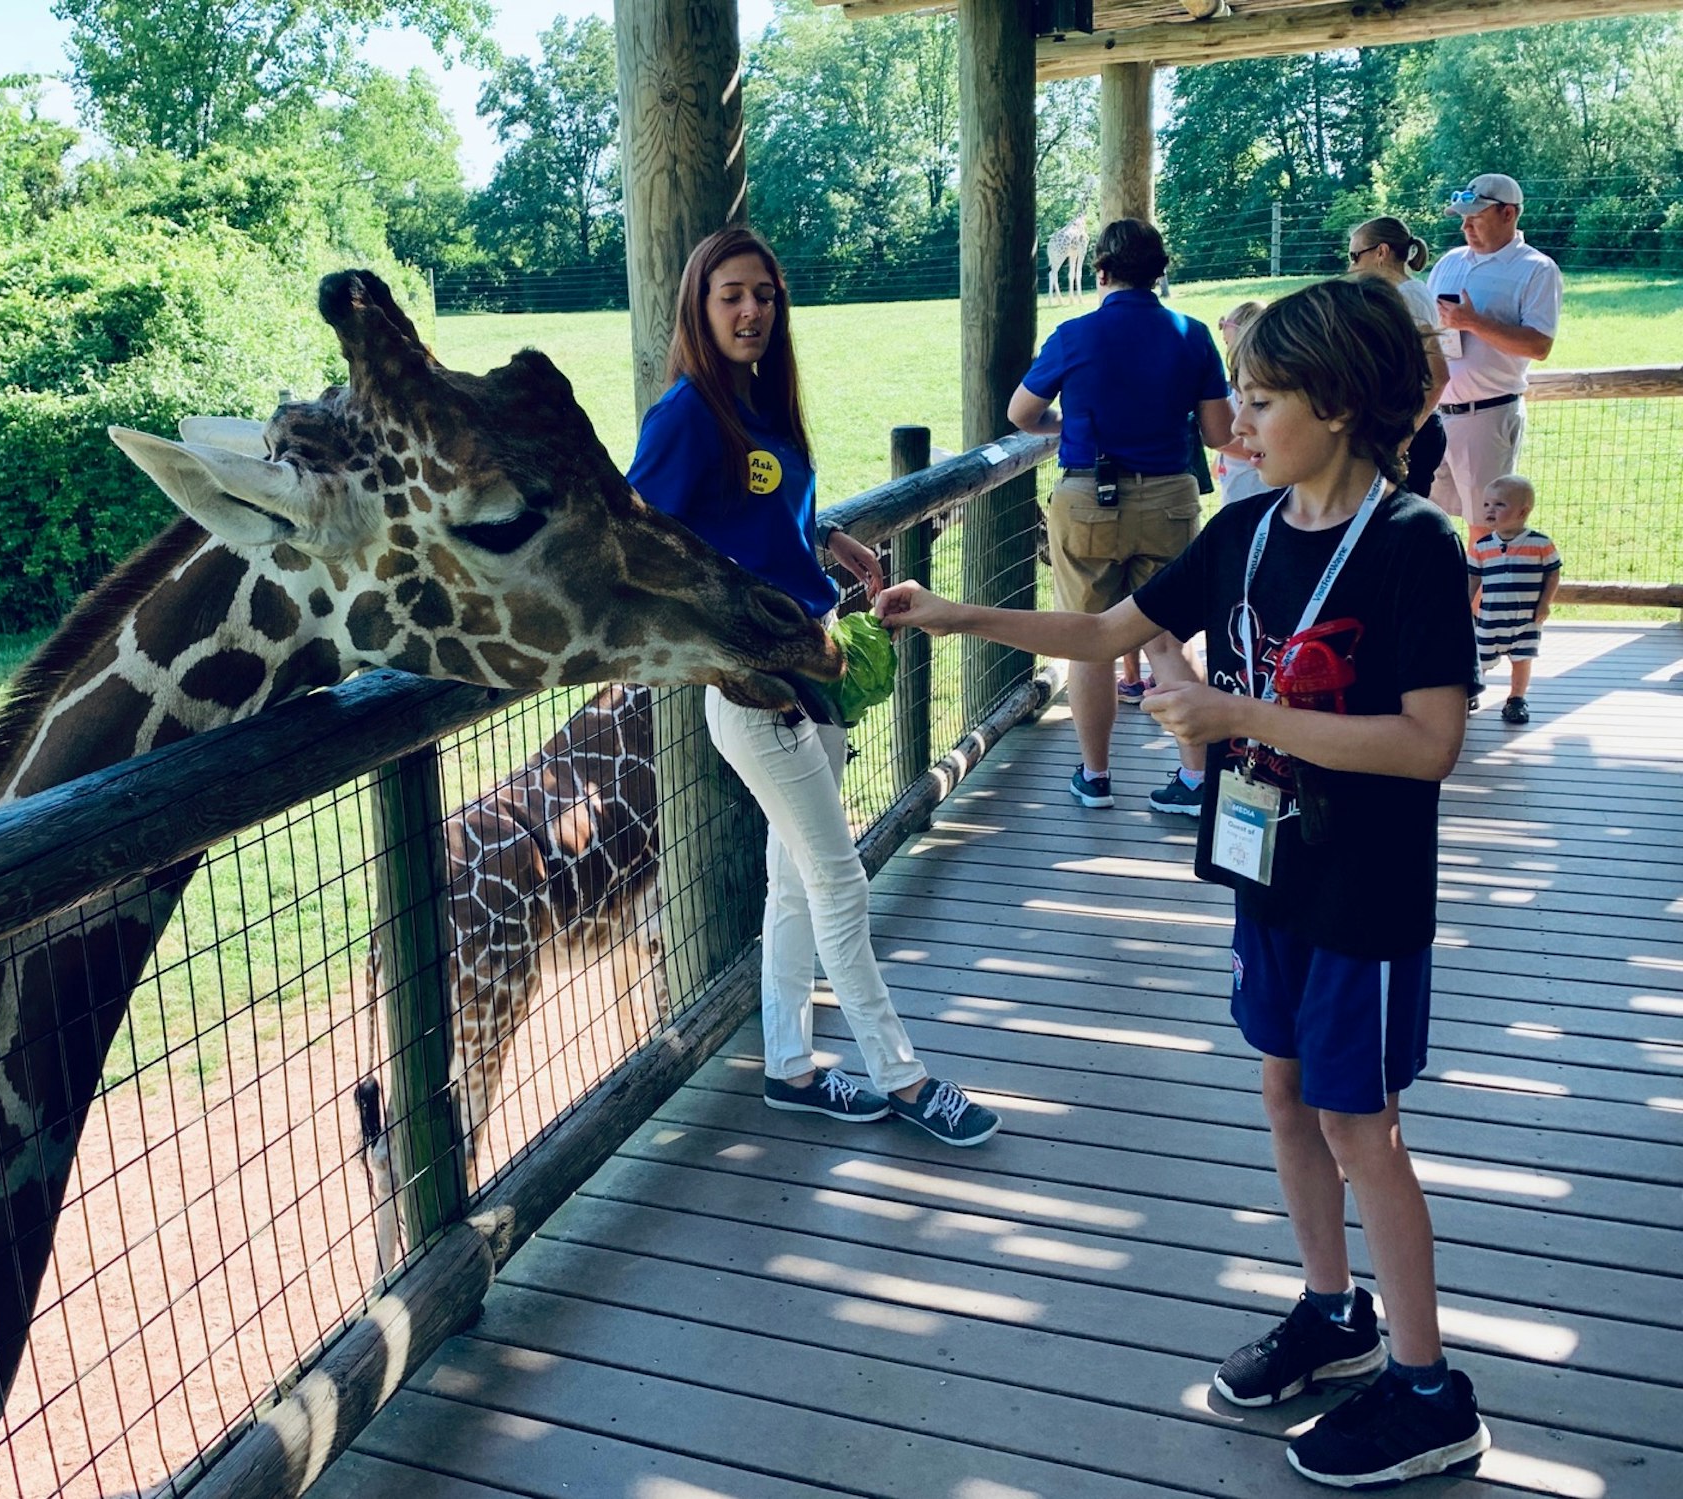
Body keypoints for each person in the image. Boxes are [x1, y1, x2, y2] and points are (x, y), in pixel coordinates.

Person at [877, 276, 1489, 1490]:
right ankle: (1334, 1315)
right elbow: (1107, 635)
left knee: (1360, 1123)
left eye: (1261, 398)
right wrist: (951, 613)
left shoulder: (1416, 546)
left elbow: (1429, 744)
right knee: (1283, 1091)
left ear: (1343, 404)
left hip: (1362, 890)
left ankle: (1430, 1392)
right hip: (1271, 871)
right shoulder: (1249, 531)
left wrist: (1230, 711)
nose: (1240, 421)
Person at [626, 225, 999, 1147]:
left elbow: (765, 512)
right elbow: (637, 541)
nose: (751, 310)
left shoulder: (763, 405)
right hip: (757, 697)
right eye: (730, 296)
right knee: (840, 883)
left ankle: (789, 1067)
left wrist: (829, 540)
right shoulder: (687, 414)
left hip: (814, 673)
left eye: (764, 294)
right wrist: (723, 649)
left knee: (794, 885)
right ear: (698, 308)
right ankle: (902, 1077)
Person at [1009, 217, 1233, 817]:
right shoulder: (1191, 333)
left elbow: (1021, 414)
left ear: (1101, 270)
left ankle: (1096, 775)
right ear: (1160, 273)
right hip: (1169, 500)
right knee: (1166, 637)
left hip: (1087, 499)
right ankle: (1194, 779)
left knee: (1088, 643)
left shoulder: (1074, 334)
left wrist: (1068, 427)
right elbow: (1219, 434)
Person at [1427, 173, 1563, 533]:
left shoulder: (1536, 269)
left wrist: (1473, 322)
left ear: (1509, 214)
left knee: (1484, 530)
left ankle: (1479, 593)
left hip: (1487, 415)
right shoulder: (1449, 262)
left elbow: (1539, 345)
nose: (1466, 226)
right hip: (1435, 414)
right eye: (1463, 218)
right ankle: (1444, 592)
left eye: (1476, 217)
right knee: (1428, 523)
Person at [1347, 217, 1449, 498]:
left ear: (1381, 252)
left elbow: (1436, 378)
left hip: (1409, 432)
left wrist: (1402, 440)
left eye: (1355, 256)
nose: (1351, 267)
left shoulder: (1407, 298)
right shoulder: (1405, 293)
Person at [1467, 474, 1560, 726]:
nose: (1490, 510)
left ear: (1522, 511)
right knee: (1480, 657)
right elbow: (1473, 578)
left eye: (1499, 505)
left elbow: (1553, 573)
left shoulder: (1540, 544)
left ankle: (1516, 700)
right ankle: (1472, 692)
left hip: (1526, 618)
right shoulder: (1482, 546)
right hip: (1491, 618)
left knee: (1522, 659)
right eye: (1486, 504)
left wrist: (1545, 603)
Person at [1213, 299, 1269, 504]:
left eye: (1229, 344)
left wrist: (1215, 439)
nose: (1228, 353)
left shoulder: (1262, 385)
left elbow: (1257, 447)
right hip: (1236, 494)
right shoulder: (1238, 388)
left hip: (1257, 494)